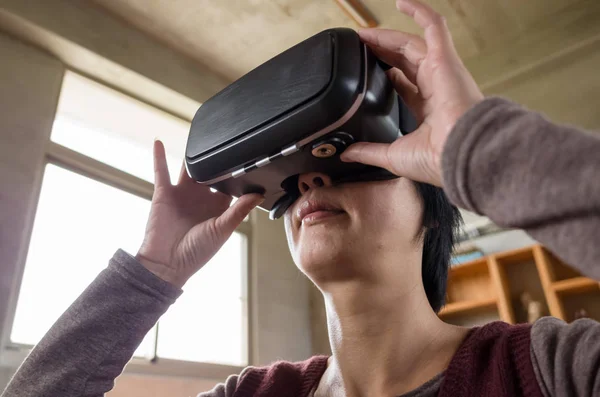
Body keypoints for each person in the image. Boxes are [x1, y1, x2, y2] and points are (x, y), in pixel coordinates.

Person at [3, 0, 599, 396]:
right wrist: (152, 271)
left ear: (433, 210)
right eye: (291, 180)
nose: (311, 182)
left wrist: (478, 150)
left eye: (347, 160)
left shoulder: (549, 369)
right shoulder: (255, 396)